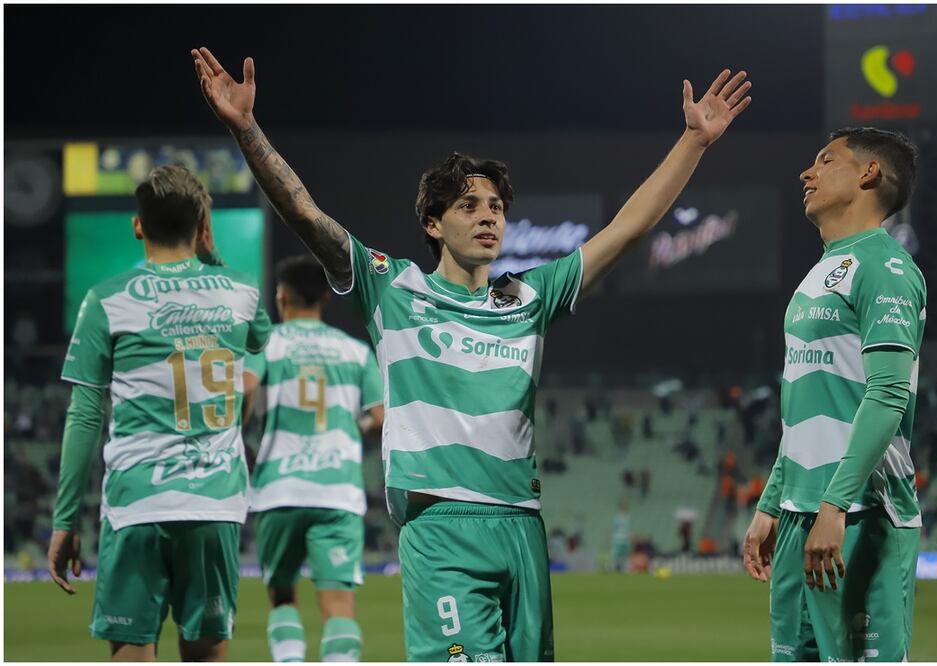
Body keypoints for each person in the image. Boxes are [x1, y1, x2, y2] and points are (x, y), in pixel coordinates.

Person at [191, 45, 751, 661]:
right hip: (441, 527)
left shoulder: (530, 297)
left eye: (498, 207)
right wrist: (246, 131)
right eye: (469, 206)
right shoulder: (392, 288)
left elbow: (628, 227)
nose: (490, 217)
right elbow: (305, 212)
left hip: (522, 525)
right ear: (432, 223)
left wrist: (693, 142)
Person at [46, 165, 272, 661]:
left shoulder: (105, 300)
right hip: (215, 507)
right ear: (202, 226)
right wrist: (211, 259)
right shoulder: (241, 290)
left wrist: (65, 521)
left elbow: (85, 415)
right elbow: (259, 340)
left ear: (137, 226)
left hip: (137, 505)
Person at [741, 127, 924, 662]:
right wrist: (774, 501)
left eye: (825, 160)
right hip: (804, 513)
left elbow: (889, 395)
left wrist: (834, 505)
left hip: (860, 514)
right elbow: (803, 406)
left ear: (869, 174)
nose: (807, 172)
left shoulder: (885, 268)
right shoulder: (818, 274)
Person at [242, 255, 385, 662]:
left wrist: (244, 429)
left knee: (283, 598)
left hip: (278, 489)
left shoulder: (267, 344)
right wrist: (352, 429)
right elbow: (380, 417)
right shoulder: (355, 352)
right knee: (339, 605)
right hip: (337, 490)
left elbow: (246, 391)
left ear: (281, 296)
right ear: (326, 296)